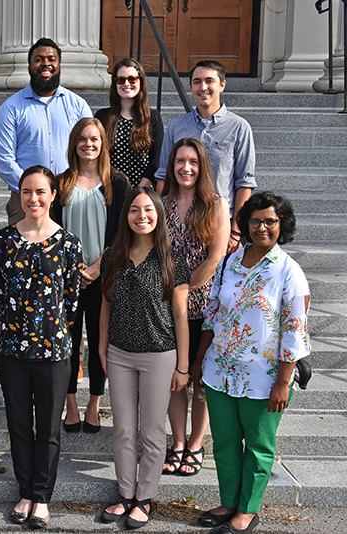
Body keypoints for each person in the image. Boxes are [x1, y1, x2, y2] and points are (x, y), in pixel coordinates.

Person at [194, 191, 310, 534]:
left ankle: (247, 509)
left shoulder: (289, 272)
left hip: (264, 378)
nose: (262, 227)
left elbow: (295, 329)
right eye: (256, 220)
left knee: (258, 446)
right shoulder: (229, 262)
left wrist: (283, 382)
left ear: (281, 225)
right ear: (245, 223)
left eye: (270, 221)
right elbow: (212, 314)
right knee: (226, 443)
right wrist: (200, 360)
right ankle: (229, 501)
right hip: (220, 371)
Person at [0, 166, 82, 530]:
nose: (34, 198)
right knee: (17, 425)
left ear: (53, 195)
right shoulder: (3, 241)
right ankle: (25, 491)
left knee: (47, 428)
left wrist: (52, 334)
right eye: (27, 191)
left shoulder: (68, 243)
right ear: (20, 195)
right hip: (13, 350)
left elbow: (72, 300)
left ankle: (42, 498)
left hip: (53, 351)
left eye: (41, 192)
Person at [98, 187, 189, 530]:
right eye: (135, 210)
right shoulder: (113, 255)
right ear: (126, 216)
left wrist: (182, 365)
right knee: (122, 428)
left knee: (151, 430)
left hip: (159, 354)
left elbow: (180, 315)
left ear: (158, 215)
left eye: (148, 210)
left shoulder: (172, 259)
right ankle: (125, 494)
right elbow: (106, 304)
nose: (142, 216)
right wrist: (102, 348)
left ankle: (145, 497)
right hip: (120, 354)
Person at [53, 118, 131, 434]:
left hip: (105, 276)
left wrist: (98, 266)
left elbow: (121, 233)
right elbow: (53, 231)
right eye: (83, 139)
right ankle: (70, 404)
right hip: (68, 279)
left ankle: (94, 404)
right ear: (74, 144)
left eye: (95, 139)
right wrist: (74, 268)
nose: (89, 144)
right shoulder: (61, 184)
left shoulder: (118, 184)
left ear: (103, 144)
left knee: (101, 342)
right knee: (68, 342)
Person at [160, 138, 230, 477]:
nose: (185, 168)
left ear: (202, 167)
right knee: (175, 378)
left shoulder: (216, 204)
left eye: (192, 162)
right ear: (172, 165)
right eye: (179, 161)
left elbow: (216, 255)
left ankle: (196, 443)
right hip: (168, 305)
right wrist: (173, 295)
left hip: (204, 305)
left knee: (200, 378)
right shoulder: (161, 203)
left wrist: (187, 289)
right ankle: (176, 441)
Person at [155, 60, 256, 254]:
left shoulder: (239, 128)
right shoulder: (177, 127)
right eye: (197, 81)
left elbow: (244, 182)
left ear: (222, 85)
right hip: (179, 223)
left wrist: (235, 231)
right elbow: (163, 176)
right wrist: (162, 223)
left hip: (219, 223)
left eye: (209, 81)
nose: (203, 87)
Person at [0, 37, 93, 225]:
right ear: (29, 66)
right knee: (22, 255)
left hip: (70, 197)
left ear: (59, 65)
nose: (45, 63)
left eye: (51, 59)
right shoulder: (11, 108)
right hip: (26, 202)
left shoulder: (78, 106)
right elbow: (5, 161)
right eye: (39, 59)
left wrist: (73, 186)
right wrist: (34, 191)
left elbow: (91, 151)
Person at [94, 58, 163, 188]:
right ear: (115, 83)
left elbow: (156, 160)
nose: (126, 84)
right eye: (121, 80)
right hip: (109, 190)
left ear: (140, 81)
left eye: (132, 79)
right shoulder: (102, 117)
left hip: (142, 192)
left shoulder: (153, 118)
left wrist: (138, 190)